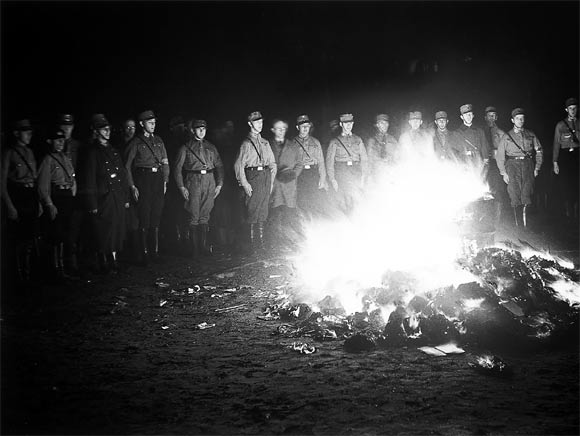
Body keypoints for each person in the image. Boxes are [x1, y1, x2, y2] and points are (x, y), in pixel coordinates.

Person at [81, 114, 130, 272]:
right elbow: (89, 180)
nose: (107, 132)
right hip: (103, 197)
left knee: (117, 228)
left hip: (116, 196)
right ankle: (103, 259)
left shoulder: (113, 151)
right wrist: (92, 204)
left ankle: (114, 259)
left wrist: (125, 197)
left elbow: (122, 175)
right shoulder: (93, 152)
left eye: (108, 129)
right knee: (104, 230)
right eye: (104, 129)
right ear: (96, 131)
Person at [173, 119, 224, 257]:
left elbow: (219, 166)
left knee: (205, 215)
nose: (201, 131)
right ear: (192, 130)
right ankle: (194, 250)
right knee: (194, 215)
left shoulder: (211, 147)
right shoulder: (185, 147)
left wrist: (219, 184)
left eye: (204, 129)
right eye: (198, 129)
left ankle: (203, 248)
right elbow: (177, 169)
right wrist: (182, 187)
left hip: (210, 181)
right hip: (193, 181)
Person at [124, 110, 169, 264]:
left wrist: (165, 181)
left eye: (154, 122)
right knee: (144, 215)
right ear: (142, 124)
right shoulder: (135, 143)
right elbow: (127, 166)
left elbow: (165, 163)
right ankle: (143, 253)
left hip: (157, 179)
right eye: (150, 123)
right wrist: (132, 185)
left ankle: (154, 252)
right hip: (143, 179)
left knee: (156, 214)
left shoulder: (159, 141)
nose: (153, 125)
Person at [1, 119, 40, 283]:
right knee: (18, 239)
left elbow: (35, 179)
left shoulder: (30, 152)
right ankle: (17, 275)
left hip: (30, 195)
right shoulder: (8, 153)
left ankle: (28, 272)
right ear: (16, 133)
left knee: (30, 238)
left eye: (30, 131)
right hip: (17, 195)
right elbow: (1, 183)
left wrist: (38, 201)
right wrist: (9, 205)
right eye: (25, 131)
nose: (29, 134)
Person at [234, 111, 277, 251]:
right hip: (253, 177)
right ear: (250, 124)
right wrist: (245, 183)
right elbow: (238, 165)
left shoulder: (265, 142)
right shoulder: (246, 144)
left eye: (261, 122)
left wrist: (271, 181)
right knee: (253, 210)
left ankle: (261, 244)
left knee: (263, 210)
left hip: (265, 176)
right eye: (257, 122)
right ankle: (252, 245)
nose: (260, 124)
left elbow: (272, 163)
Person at [37, 128, 77, 280]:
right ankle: (55, 269)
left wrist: (72, 195)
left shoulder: (66, 158)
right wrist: (49, 204)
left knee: (65, 234)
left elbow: (72, 178)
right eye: (57, 140)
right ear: (50, 141)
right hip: (57, 197)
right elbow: (42, 185)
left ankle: (63, 267)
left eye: (62, 140)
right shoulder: (47, 160)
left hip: (67, 197)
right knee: (56, 235)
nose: (61, 143)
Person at [496, 108, 543, 227]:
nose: (520, 120)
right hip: (512, 165)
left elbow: (539, 151)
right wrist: (503, 172)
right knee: (514, 192)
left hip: (528, 165)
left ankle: (526, 224)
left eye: (522, 118)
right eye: (517, 118)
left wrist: (537, 167)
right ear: (512, 120)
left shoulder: (531, 135)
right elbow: (500, 155)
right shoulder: (507, 136)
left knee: (527, 192)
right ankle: (518, 226)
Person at [326, 113, 368, 214]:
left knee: (357, 197)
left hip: (355, 170)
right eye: (346, 123)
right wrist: (332, 178)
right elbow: (329, 162)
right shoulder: (335, 142)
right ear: (341, 124)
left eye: (350, 123)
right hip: (342, 171)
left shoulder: (358, 140)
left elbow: (364, 159)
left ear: (353, 124)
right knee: (345, 199)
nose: (348, 126)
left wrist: (364, 175)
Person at [269, 118, 301, 247]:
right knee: (274, 215)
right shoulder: (267, 145)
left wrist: (293, 175)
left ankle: (289, 243)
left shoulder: (293, 146)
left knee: (289, 214)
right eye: (278, 129)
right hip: (274, 186)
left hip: (289, 186)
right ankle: (273, 243)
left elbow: (299, 163)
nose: (281, 131)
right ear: (273, 130)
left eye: (283, 129)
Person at [292, 114, 327, 218]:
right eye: (303, 126)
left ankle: (314, 225)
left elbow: (321, 162)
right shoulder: (292, 143)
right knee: (301, 203)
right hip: (300, 175)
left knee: (314, 202)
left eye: (307, 126)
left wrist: (323, 178)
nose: (305, 128)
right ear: (297, 127)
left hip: (313, 174)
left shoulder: (315, 142)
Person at [552, 97, 579, 220]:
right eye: (570, 109)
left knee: (577, 183)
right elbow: (556, 144)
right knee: (566, 183)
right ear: (566, 110)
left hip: (577, 156)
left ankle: (576, 210)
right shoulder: (561, 125)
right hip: (565, 157)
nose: (573, 111)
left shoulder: (579, 123)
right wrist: (555, 162)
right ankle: (567, 211)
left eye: (574, 108)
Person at [483, 106, 509, 215]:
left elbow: (507, 149)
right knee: (484, 187)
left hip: (496, 163)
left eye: (493, 115)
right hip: (484, 163)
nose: (491, 118)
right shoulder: (480, 131)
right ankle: (485, 213)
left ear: (496, 117)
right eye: (489, 115)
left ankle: (498, 213)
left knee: (498, 188)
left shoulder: (501, 133)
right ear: (485, 117)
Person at [366, 113, 398, 180]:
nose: (384, 125)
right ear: (377, 125)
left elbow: (398, 157)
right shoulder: (372, 141)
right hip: (377, 174)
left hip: (390, 173)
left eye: (386, 123)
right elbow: (369, 160)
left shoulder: (393, 140)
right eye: (382, 123)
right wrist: (369, 176)